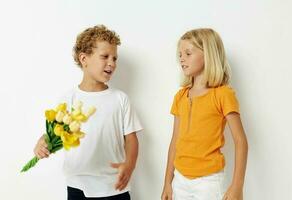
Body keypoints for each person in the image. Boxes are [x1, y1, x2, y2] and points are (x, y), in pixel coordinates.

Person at [34, 25, 142, 200]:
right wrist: (42, 143)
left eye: (115, 58)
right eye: (105, 56)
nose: (112, 63)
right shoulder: (67, 99)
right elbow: (55, 132)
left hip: (114, 187)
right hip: (78, 185)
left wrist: (129, 165)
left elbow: (131, 139)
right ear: (84, 59)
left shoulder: (120, 99)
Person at [161, 28, 248, 200]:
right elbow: (174, 142)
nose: (181, 58)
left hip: (209, 181)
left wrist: (237, 186)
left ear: (208, 54)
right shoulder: (180, 96)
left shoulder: (223, 94)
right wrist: (167, 183)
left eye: (188, 53)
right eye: (180, 54)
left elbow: (241, 141)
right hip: (180, 179)